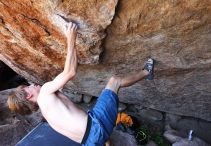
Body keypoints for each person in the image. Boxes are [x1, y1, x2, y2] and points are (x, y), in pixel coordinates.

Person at [7, 22, 155, 146]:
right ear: (28, 96)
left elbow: (66, 74)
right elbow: (70, 72)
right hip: (96, 126)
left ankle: (108, 141)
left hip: (90, 142)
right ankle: (147, 72)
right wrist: (71, 38)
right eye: (29, 86)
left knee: (103, 137)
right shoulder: (45, 92)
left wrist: (59, 87)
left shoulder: (46, 114)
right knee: (114, 81)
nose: (33, 85)